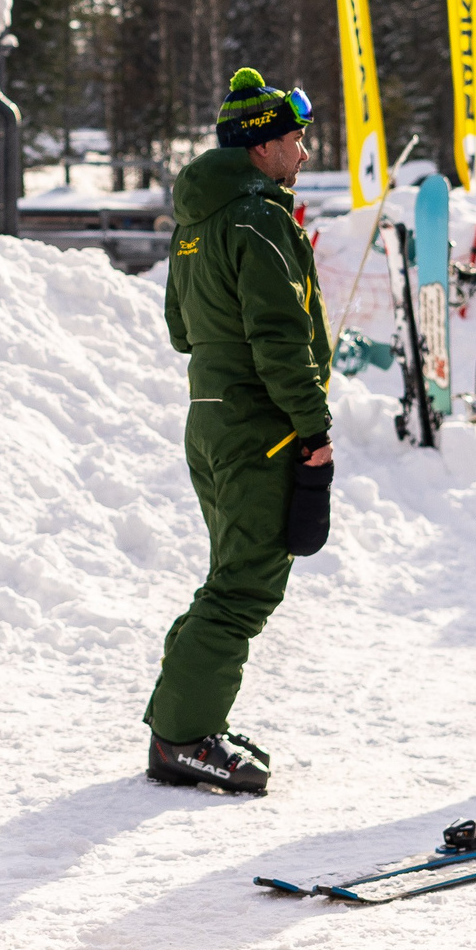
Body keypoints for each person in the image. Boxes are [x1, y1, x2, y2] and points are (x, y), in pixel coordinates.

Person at [146, 68, 332, 794]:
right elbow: (279, 342)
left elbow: (179, 329)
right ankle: (184, 737)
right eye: (294, 140)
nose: (303, 153)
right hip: (261, 426)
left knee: (230, 573)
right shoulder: (258, 218)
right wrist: (313, 426)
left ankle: (182, 720)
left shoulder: (196, 220)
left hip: (210, 417)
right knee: (245, 585)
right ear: (261, 146)